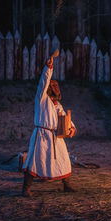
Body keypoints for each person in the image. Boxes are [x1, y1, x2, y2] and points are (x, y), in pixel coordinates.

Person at [22, 57, 76, 197]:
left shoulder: (57, 104)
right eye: (53, 87)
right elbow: (43, 83)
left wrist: (71, 128)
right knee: (34, 160)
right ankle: (26, 189)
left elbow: (65, 117)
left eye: (57, 87)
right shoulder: (41, 99)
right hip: (41, 135)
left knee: (63, 157)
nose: (56, 89)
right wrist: (49, 68)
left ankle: (67, 185)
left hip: (55, 136)